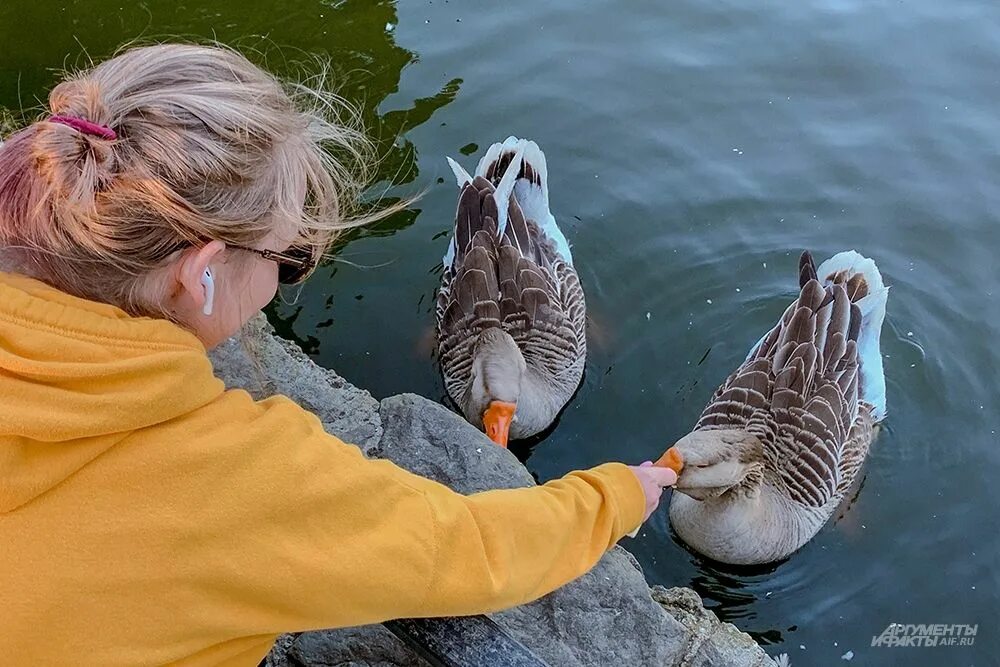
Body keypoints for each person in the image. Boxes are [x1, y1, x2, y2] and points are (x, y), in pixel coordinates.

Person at [0, 43, 678, 665]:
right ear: (198, 274)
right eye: (288, 259)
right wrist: (621, 492)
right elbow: (471, 549)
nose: (281, 281)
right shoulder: (235, 478)